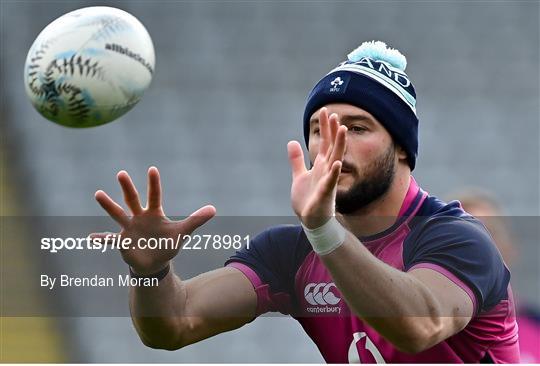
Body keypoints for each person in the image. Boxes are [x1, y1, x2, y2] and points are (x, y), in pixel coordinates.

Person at [92, 41, 519, 363]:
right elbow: (174, 325)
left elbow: (419, 326)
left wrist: (323, 230)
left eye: (357, 128)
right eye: (320, 129)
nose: (333, 144)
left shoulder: (459, 240)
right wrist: (151, 273)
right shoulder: (290, 253)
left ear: (403, 148)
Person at [453, 189, 540, 363]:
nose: (478, 248)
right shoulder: (423, 335)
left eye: (488, 233)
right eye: (462, 235)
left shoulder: (536, 326)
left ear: (509, 247)